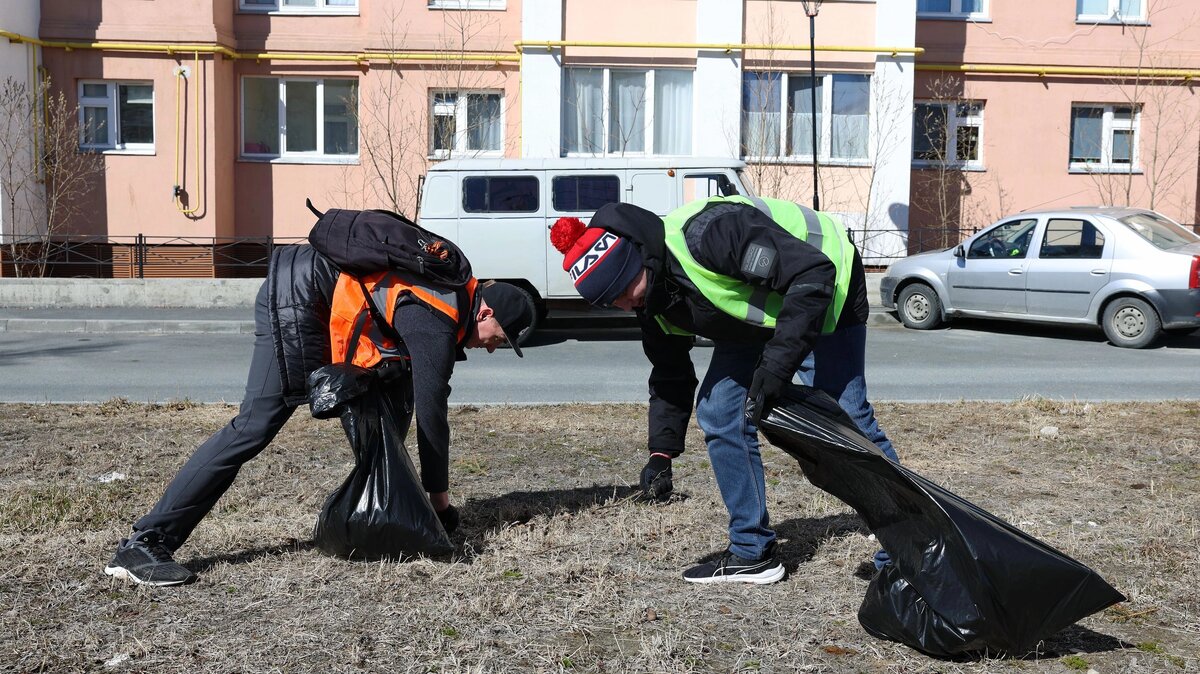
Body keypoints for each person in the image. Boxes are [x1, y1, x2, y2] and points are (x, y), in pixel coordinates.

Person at [105, 235, 534, 587]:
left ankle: (384, 514)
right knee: (255, 425)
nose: (494, 347)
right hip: (299, 297)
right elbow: (433, 414)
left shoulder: (450, 292)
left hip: (317, 291)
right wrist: (439, 504)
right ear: (487, 311)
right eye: (500, 338)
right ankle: (146, 542)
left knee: (391, 404)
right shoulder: (437, 319)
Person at [550, 196, 897, 585]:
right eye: (610, 301)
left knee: (846, 417)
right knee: (720, 411)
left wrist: (776, 367)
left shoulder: (710, 234)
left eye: (624, 286)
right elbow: (670, 375)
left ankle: (910, 547)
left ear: (640, 258)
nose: (624, 301)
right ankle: (753, 552)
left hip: (826, 279)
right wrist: (661, 452)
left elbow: (812, 274)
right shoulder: (650, 302)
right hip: (757, 316)